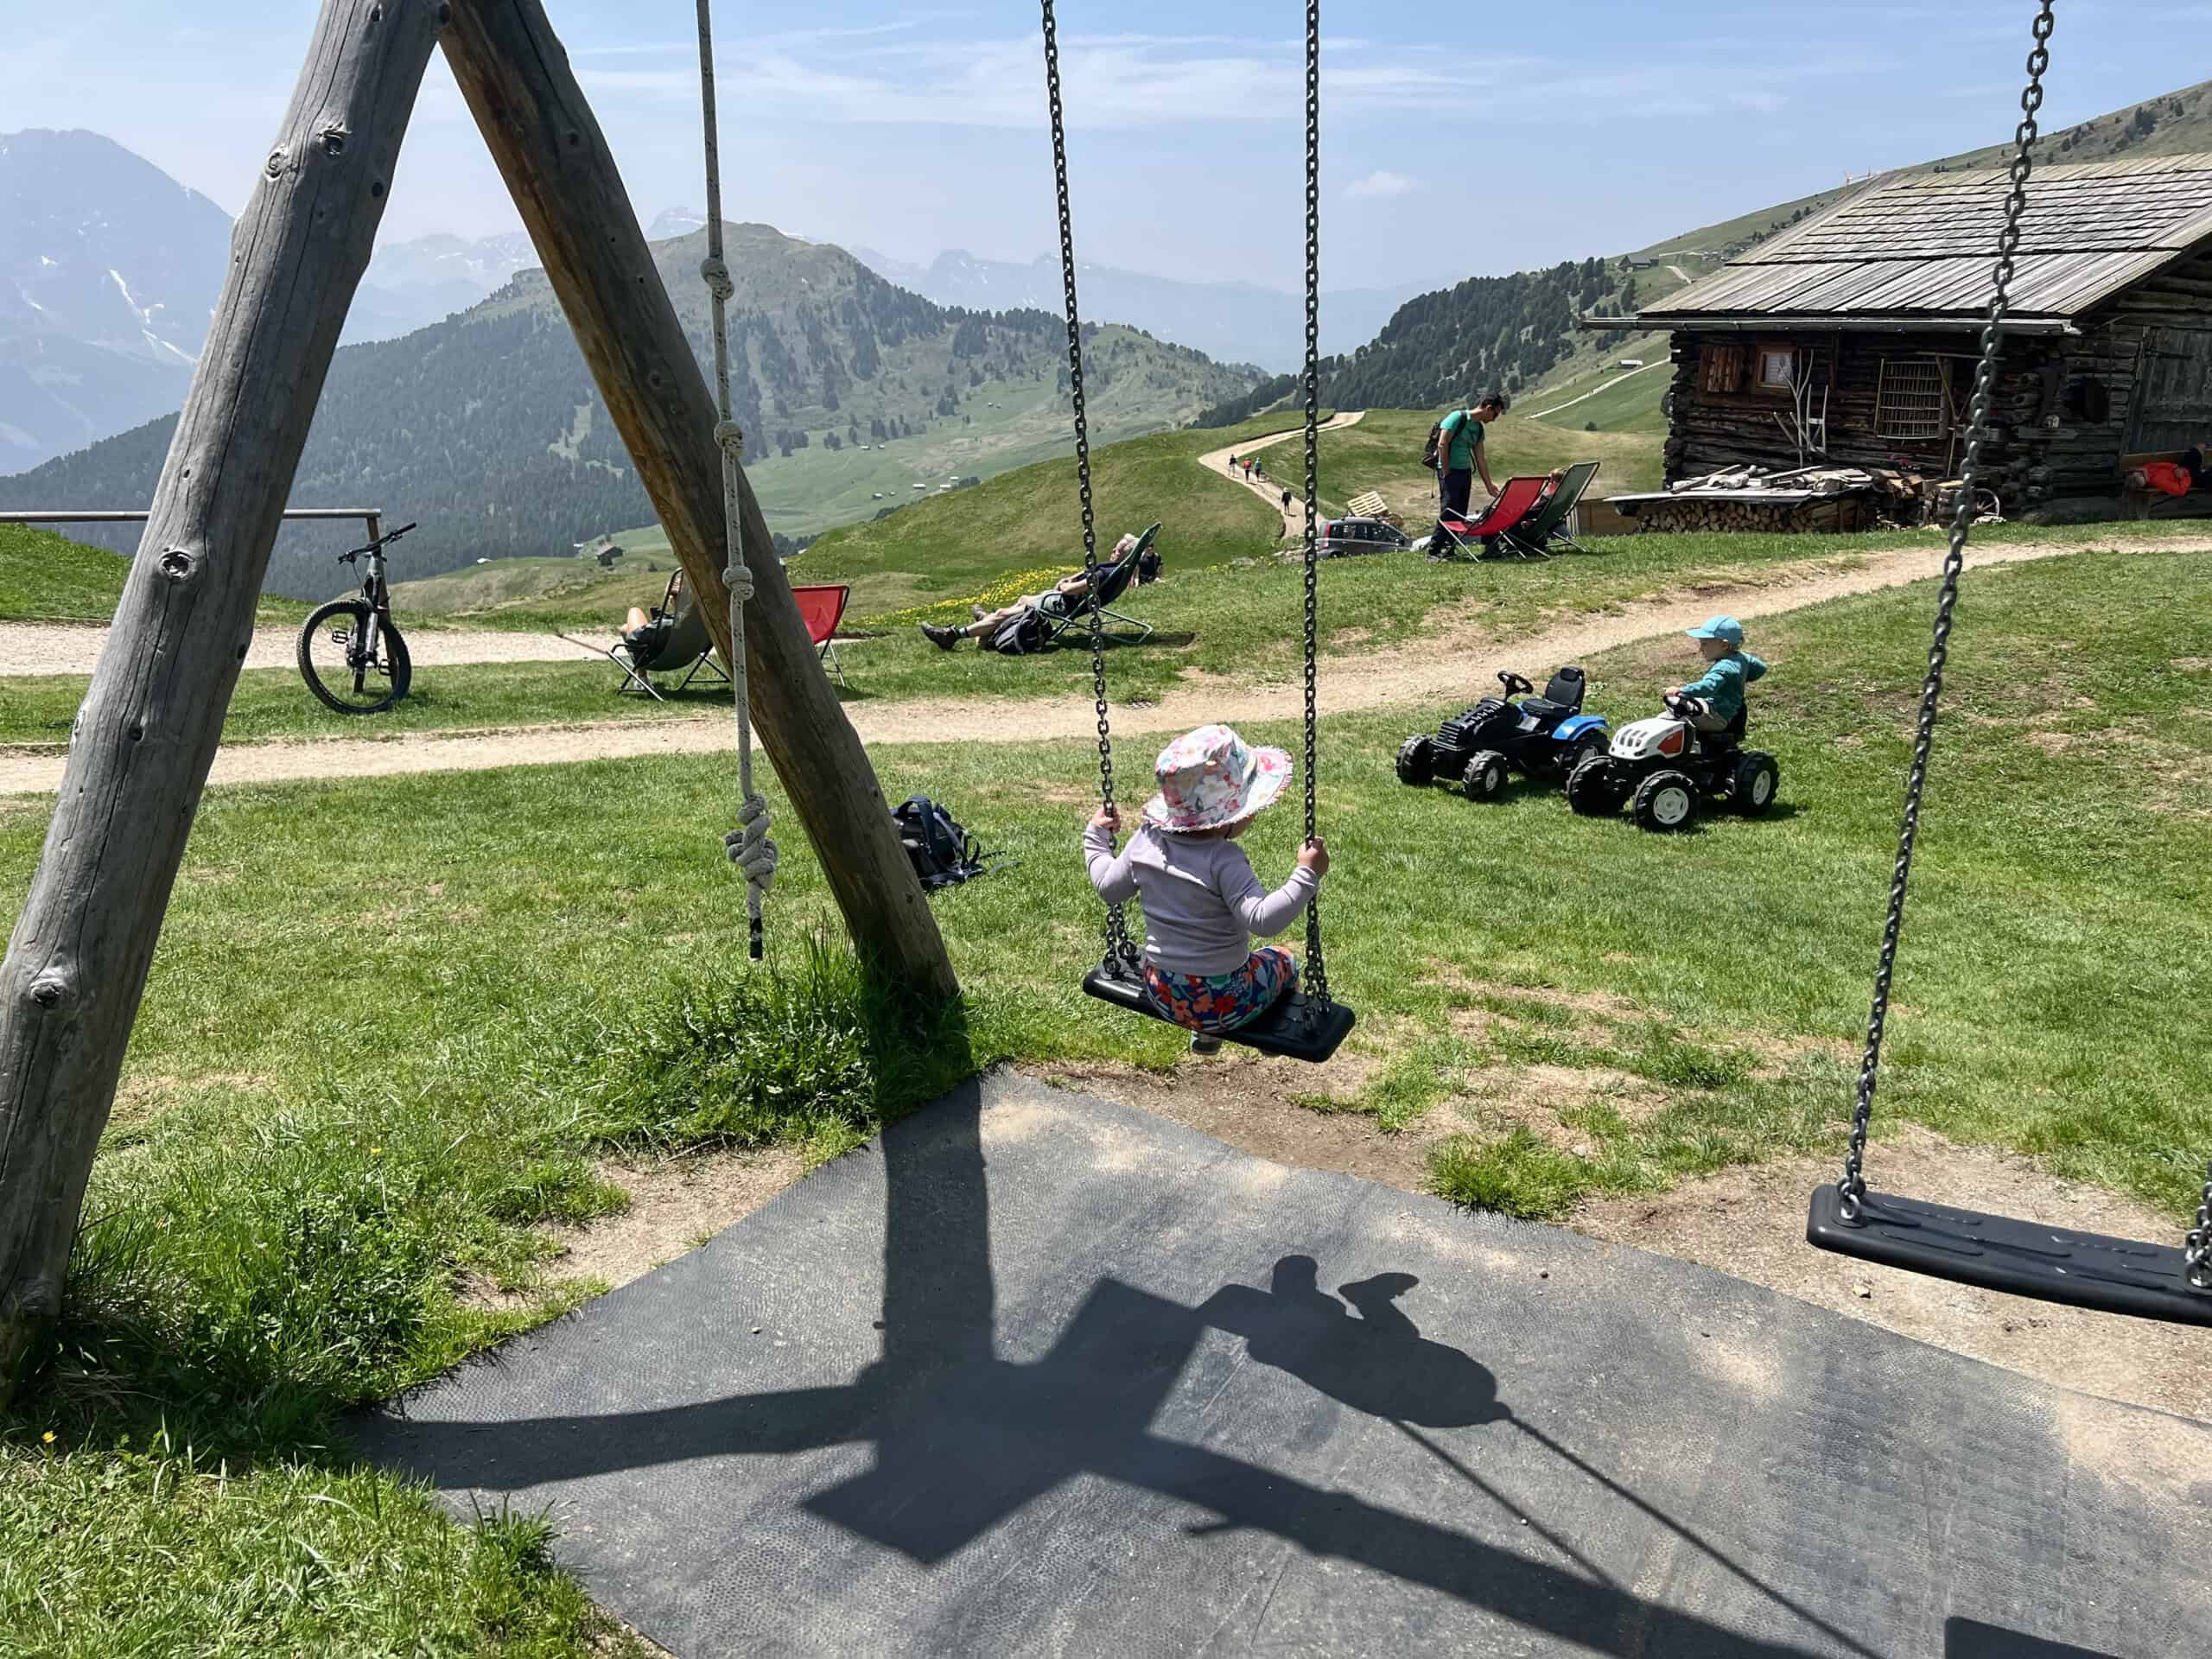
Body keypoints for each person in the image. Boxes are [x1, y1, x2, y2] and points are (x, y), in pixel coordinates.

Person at [1084, 723, 1328, 1053]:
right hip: (1226, 1001)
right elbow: (1263, 921)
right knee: (1284, 961)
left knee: (1218, 977)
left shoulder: (1146, 841)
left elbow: (1108, 887)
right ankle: (1270, 1038)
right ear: (1230, 816)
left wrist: (1096, 838)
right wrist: (1306, 874)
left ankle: (1206, 1038)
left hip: (1163, 992)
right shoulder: (1223, 859)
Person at [919, 532, 1138, 650]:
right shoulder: (1116, 571)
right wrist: (1071, 578)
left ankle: (953, 635)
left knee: (1003, 614)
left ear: (1124, 555)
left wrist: (1064, 585)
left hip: (1060, 604)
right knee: (1022, 598)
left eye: (1117, 549)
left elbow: (1074, 590)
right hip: (1061, 601)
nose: (1112, 550)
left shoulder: (1104, 575)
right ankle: (985, 628)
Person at [1666, 614, 1768, 736]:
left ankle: (1683, 746)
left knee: (1673, 715)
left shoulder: (1724, 668)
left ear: (1724, 645)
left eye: (1704, 644)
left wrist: (1680, 690)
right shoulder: (1742, 658)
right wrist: (1739, 679)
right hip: (1723, 712)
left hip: (1715, 718)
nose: (1700, 649)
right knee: (1681, 706)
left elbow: (1707, 687)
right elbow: (1761, 668)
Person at [1433, 391, 1507, 518]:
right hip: (1450, 471)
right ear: (1488, 409)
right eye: (1495, 414)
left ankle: (1453, 538)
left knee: (1460, 513)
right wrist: (1446, 472)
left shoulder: (1478, 429)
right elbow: (1442, 444)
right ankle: (1438, 539)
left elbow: (1480, 458)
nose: (1494, 419)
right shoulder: (1457, 417)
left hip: (1465, 473)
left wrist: (1489, 485)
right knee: (1449, 511)